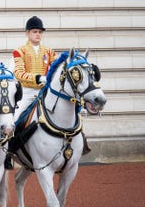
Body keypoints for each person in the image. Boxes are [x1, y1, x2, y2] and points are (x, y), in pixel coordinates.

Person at [7, 16, 91, 169]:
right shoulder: (19, 51)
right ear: (27, 33)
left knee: (72, 111)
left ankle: (81, 142)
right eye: (34, 32)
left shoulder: (49, 52)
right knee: (14, 120)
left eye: (39, 32)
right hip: (27, 92)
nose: (37, 35)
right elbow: (18, 73)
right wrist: (38, 78)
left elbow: (56, 71)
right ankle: (8, 152)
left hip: (45, 91)